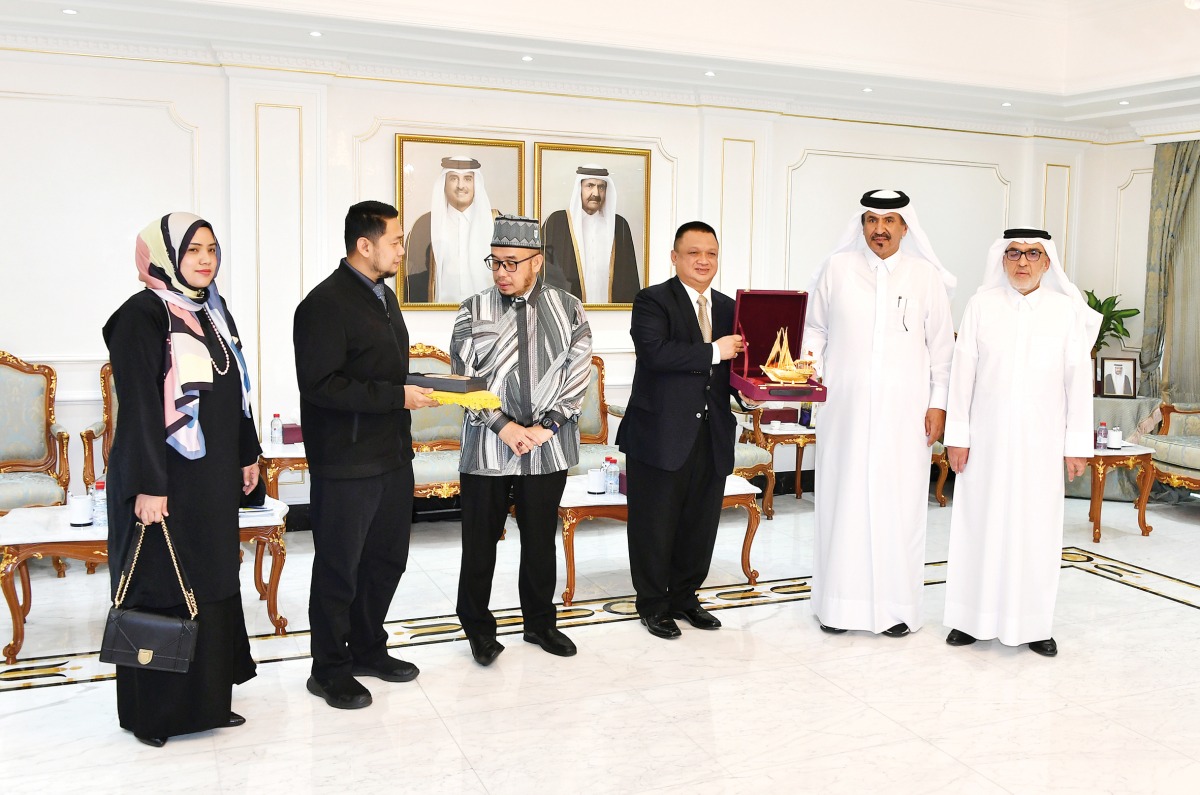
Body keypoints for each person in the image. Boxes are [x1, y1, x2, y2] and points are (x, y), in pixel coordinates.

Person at [103, 212, 261, 747]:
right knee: (160, 587)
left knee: (211, 585)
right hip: (162, 480)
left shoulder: (212, 311)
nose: (204, 259)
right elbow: (140, 408)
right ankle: (156, 716)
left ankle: (207, 704)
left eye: (211, 249)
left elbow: (235, 391)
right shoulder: (140, 316)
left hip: (209, 483)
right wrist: (149, 484)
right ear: (165, 255)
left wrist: (247, 454)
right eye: (192, 249)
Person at [294, 200, 440, 709]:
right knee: (339, 570)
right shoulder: (323, 304)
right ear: (364, 244)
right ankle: (329, 669)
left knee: (386, 561)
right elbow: (321, 386)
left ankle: (367, 649)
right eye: (396, 241)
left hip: (392, 455)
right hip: (346, 462)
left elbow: (380, 369)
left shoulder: (385, 297)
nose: (402, 250)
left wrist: (421, 386)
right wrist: (397, 396)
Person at [804, 190, 956, 637]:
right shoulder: (837, 269)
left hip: (905, 416)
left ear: (905, 228)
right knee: (843, 502)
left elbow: (942, 349)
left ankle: (896, 610)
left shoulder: (925, 277)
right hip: (844, 411)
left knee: (899, 508)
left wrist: (939, 404)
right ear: (862, 225)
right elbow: (815, 329)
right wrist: (810, 375)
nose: (880, 229)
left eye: (890, 221)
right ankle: (837, 607)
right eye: (872, 220)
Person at [943, 228, 1098, 657]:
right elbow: (962, 377)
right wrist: (957, 437)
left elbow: (1077, 382)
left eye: (1032, 254)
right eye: (1014, 253)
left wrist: (1076, 445)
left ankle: (1033, 624)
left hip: (1041, 444)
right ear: (1003, 259)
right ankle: (969, 620)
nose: (1023, 262)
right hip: (985, 443)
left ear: (1047, 262)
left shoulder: (1065, 312)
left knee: (1036, 530)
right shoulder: (981, 306)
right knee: (979, 525)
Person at [450, 215, 594, 665]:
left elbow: (578, 372)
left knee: (539, 541)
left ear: (536, 262)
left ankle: (540, 624)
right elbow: (464, 380)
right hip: (487, 447)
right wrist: (504, 426)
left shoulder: (569, 309)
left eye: (512, 263)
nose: (501, 272)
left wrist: (546, 427)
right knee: (479, 544)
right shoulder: (473, 310)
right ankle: (478, 631)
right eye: (495, 262)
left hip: (547, 448)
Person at [618, 221, 748, 639]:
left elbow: (739, 370)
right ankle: (653, 605)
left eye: (711, 253)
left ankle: (686, 598)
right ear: (675, 257)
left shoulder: (730, 308)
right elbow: (656, 354)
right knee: (654, 525)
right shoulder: (651, 300)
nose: (703, 261)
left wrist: (754, 393)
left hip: (712, 434)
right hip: (660, 435)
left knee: (700, 524)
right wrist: (714, 350)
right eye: (694, 253)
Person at [404, 156, 499, 303]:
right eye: (454, 178)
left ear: (476, 183)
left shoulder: (495, 221)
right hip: (436, 314)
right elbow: (413, 277)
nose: (461, 186)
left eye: (468, 179)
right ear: (444, 183)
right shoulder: (424, 225)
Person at [542, 165, 641, 303]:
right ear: (579, 188)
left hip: (611, 312)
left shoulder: (619, 225)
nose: (596, 193)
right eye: (590, 186)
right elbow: (545, 273)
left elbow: (629, 278)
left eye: (601, 187)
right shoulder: (557, 222)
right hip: (568, 311)